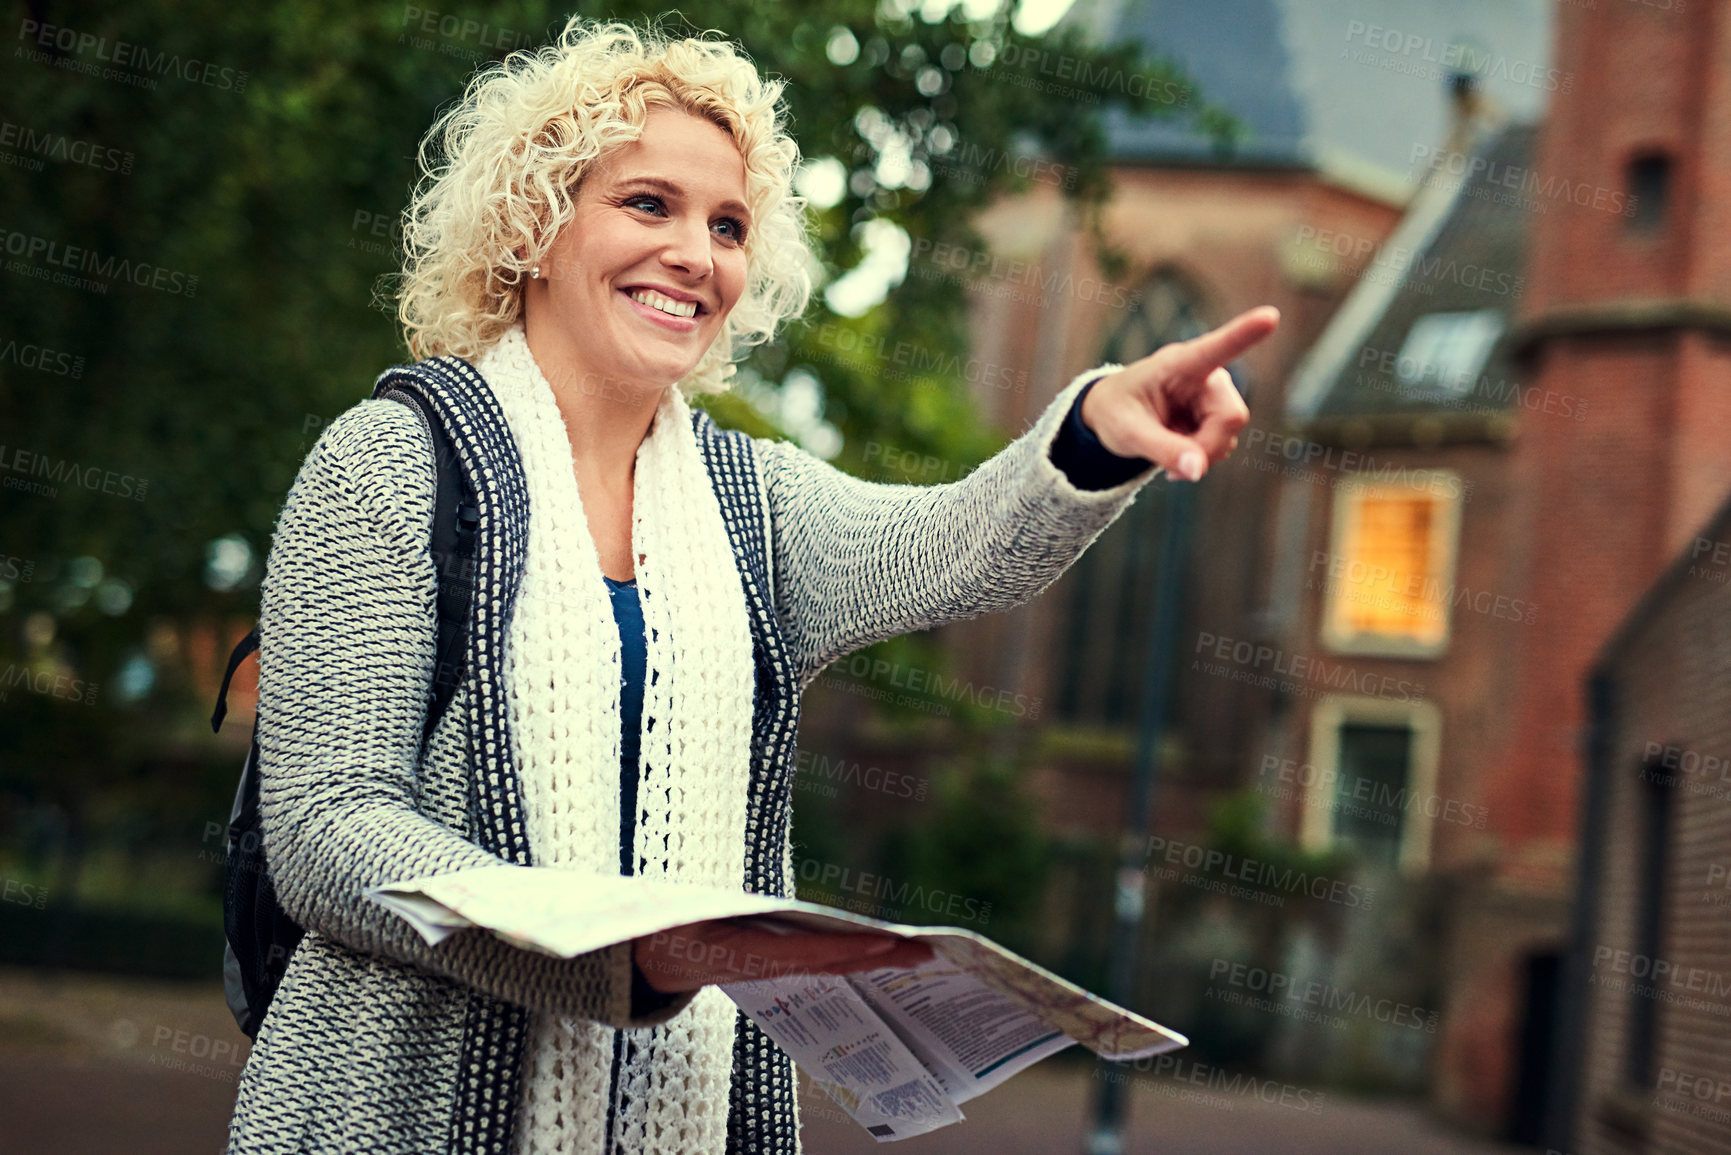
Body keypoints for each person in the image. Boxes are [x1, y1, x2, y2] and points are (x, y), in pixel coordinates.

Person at [226, 17, 1275, 1155]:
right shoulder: (387, 464)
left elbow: (953, 546)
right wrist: (609, 950)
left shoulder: (749, 501)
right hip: (388, 1115)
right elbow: (328, 830)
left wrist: (1095, 431)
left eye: (728, 225)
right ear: (532, 222)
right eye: (648, 205)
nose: (697, 253)